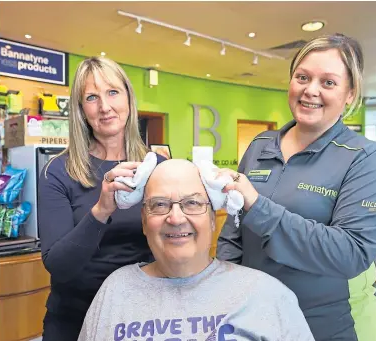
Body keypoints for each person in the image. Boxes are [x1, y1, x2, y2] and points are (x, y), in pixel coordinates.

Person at [217, 33, 376, 341]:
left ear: (350, 94)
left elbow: (350, 253)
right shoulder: (260, 146)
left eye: (328, 82)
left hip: (330, 326)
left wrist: (259, 207)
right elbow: (234, 232)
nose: (310, 90)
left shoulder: (367, 159)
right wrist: (222, 290)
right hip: (255, 321)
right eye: (302, 77)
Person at [78, 159, 315, 341]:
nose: (176, 217)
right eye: (160, 205)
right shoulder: (115, 291)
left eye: (192, 203)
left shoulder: (265, 294)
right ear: (143, 220)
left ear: (213, 219)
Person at [38, 56, 165, 341]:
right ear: (82, 110)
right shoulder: (58, 171)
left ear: (129, 100)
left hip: (142, 318)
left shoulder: (155, 166)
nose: (105, 107)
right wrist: (101, 210)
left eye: (112, 92)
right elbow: (58, 265)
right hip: (74, 319)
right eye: (92, 97)